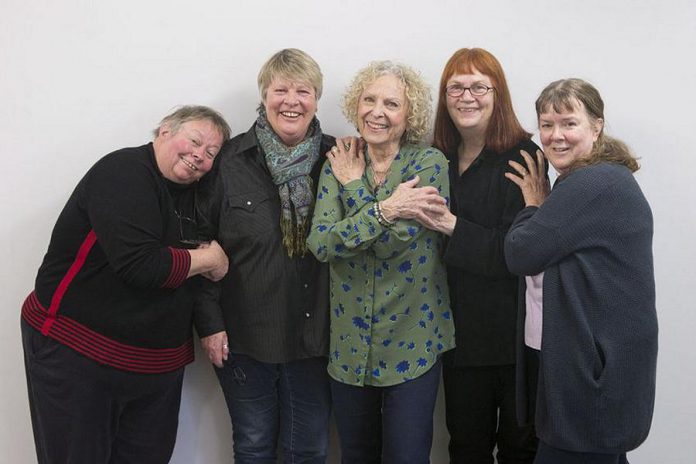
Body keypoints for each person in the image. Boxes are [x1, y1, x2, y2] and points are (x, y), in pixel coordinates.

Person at [20, 105, 231, 464]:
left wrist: (210, 325)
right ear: (164, 131)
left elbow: (187, 277)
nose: (199, 155)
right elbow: (142, 265)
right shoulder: (123, 172)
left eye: (211, 153)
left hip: (155, 369)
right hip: (77, 353)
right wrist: (212, 259)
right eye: (194, 140)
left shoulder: (201, 196)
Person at [306, 60, 455, 464]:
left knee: (406, 457)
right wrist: (387, 208)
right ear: (356, 105)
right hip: (349, 348)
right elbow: (321, 243)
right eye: (369, 100)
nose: (377, 111)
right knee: (357, 455)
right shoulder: (339, 160)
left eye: (391, 103)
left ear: (410, 115)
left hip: (413, 340)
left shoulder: (428, 164)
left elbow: (396, 244)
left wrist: (356, 191)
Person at [504, 78, 658, 464]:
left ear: (597, 125)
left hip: (591, 379)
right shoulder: (588, 180)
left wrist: (533, 206)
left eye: (568, 123)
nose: (556, 136)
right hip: (591, 369)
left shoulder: (595, 183)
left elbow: (520, 254)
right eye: (547, 124)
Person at [194, 49, 333, 463]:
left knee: (308, 449)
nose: (291, 100)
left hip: (317, 338)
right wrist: (210, 325)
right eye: (281, 90)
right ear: (264, 95)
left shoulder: (339, 161)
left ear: (316, 99)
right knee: (253, 447)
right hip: (244, 337)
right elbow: (200, 246)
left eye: (303, 91)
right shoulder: (227, 163)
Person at [417, 47, 542, 463]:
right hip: (457, 337)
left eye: (478, 86)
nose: (466, 96)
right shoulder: (435, 159)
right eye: (456, 87)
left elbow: (518, 254)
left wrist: (452, 225)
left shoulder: (525, 157)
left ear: (498, 94)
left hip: (515, 340)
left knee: (519, 449)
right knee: (466, 448)